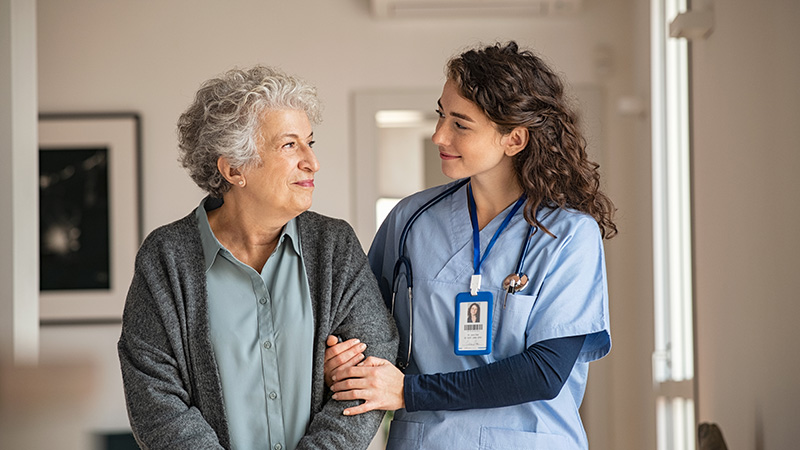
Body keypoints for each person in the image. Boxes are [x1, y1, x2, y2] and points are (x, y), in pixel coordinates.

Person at [324, 41, 616, 449]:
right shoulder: (410, 220)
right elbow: (359, 324)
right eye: (441, 115)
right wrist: (340, 360)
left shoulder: (568, 235)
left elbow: (545, 372)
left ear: (513, 140)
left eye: (460, 124)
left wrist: (409, 392)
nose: (438, 134)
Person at [117, 65, 398, 450]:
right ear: (234, 168)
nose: (312, 162)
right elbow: (156, 401)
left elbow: (373, 363)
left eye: (309, 143)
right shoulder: (165, 258)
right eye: (289, 145)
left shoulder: (334, 246)